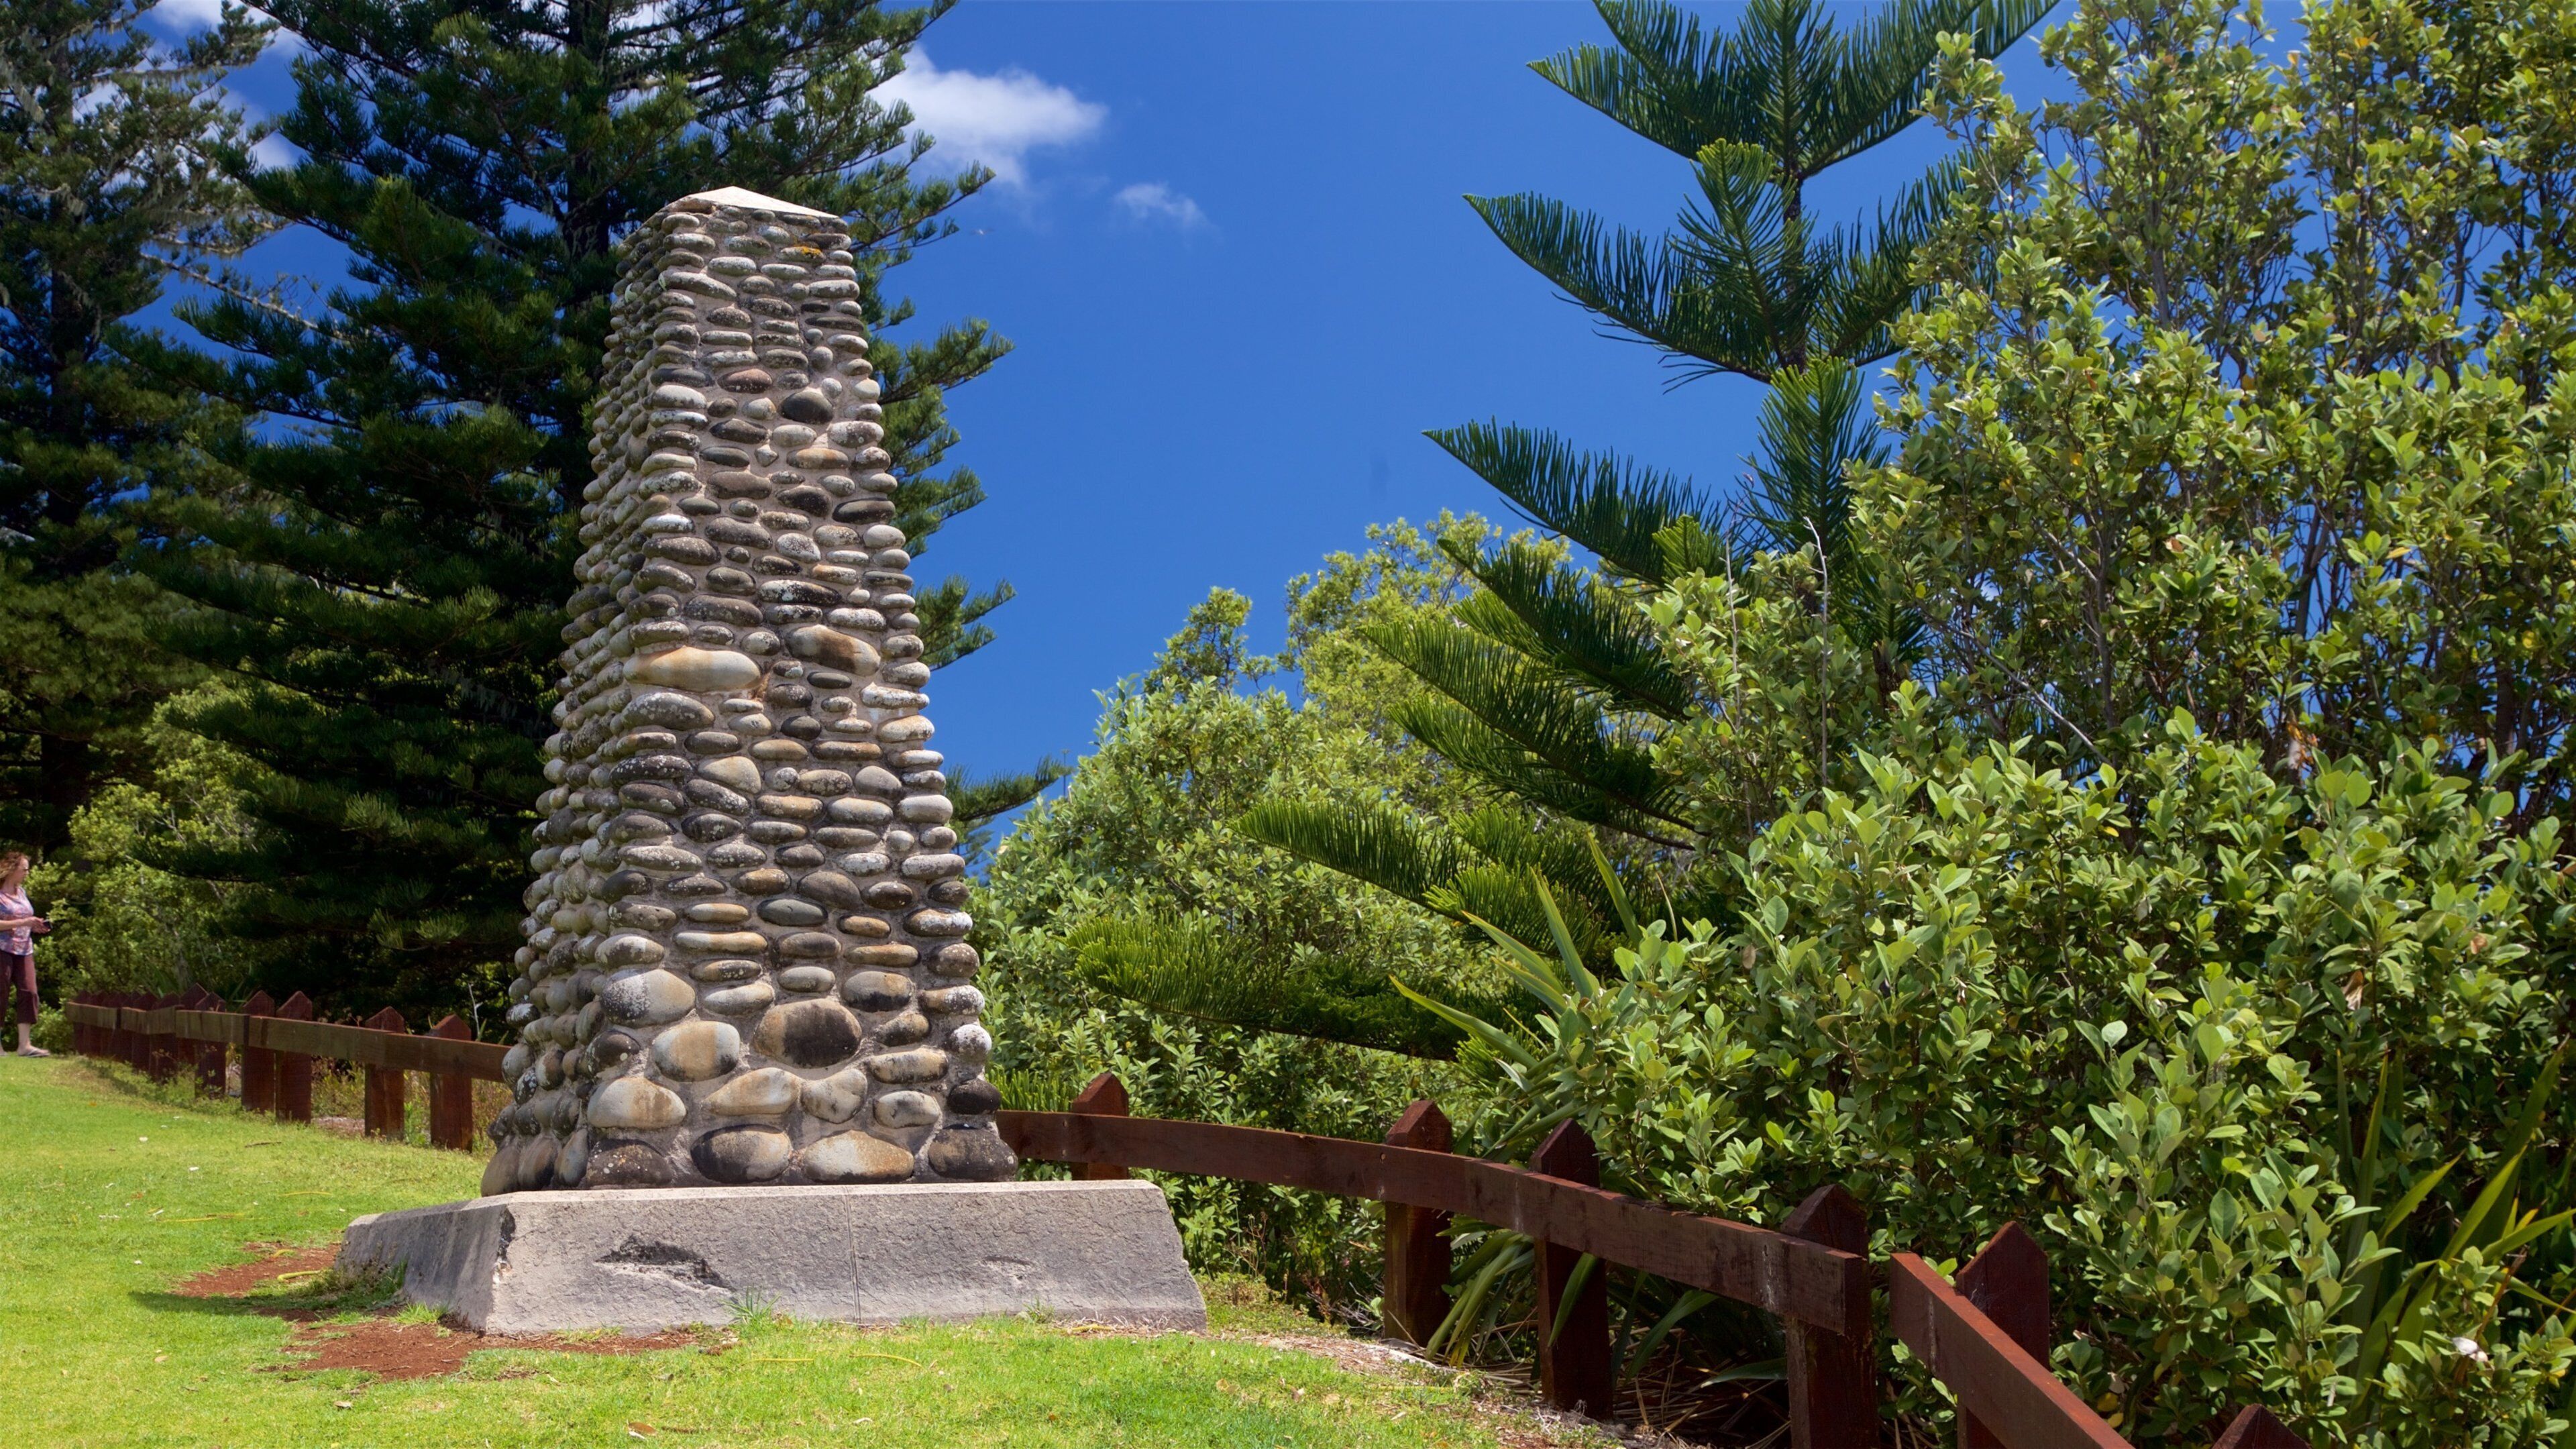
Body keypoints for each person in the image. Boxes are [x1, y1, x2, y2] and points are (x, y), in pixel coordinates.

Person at [0, 851, 50, 1057]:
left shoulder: (22, 892)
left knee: (30, 992)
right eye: (25, 869)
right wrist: (23, 922)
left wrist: (35, 926)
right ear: (12, 869)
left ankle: (24, 1045)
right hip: (2, 949)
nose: (27, 873)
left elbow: (25, 918)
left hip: (24, 948)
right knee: (0, 993)